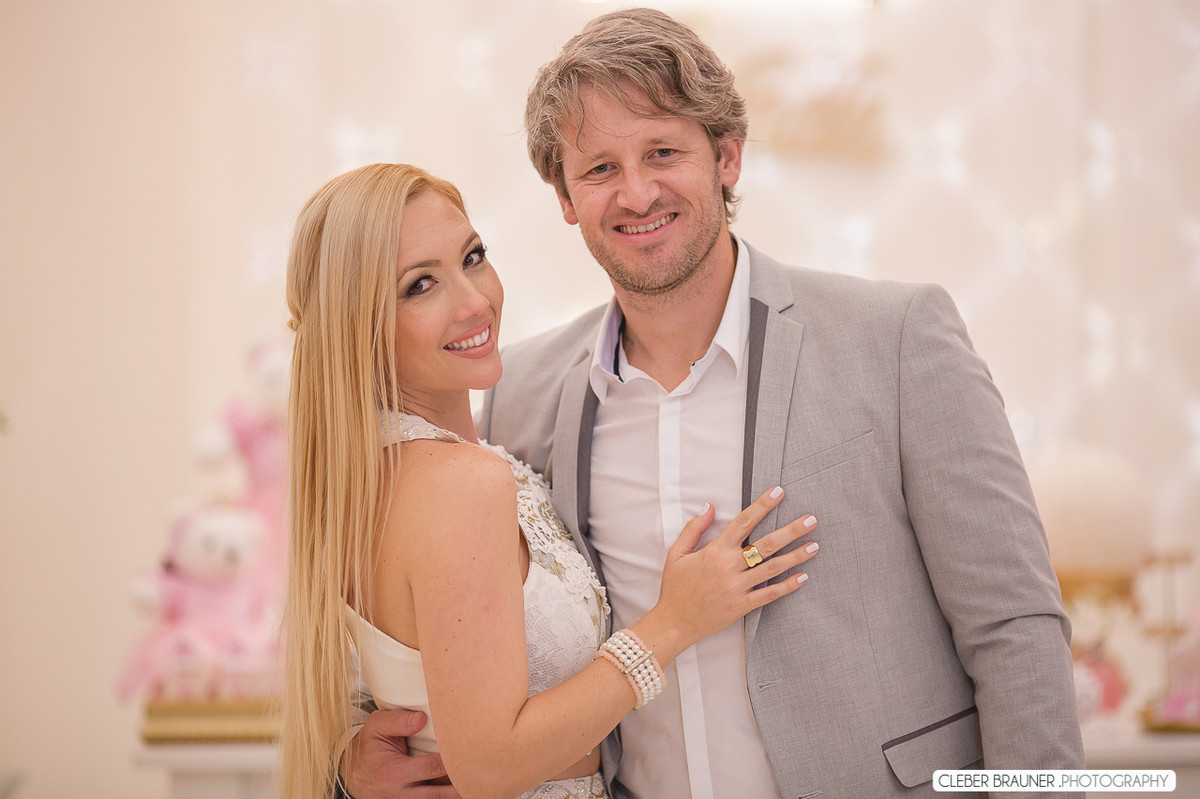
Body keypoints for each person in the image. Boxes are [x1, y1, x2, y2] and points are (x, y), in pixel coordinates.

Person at [342, 8, 1085, 798]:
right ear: (563, 196)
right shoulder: (518, 390)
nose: (636, 192)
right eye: (598, 169)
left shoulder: (896, 338)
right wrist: (354, 757)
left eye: (663, 151)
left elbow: (1014, 628)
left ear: (726, 156)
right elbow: (466, 637)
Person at [278, 162, 821, 799]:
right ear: (359, 328)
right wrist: (674, 623)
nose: (475, 300)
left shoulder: (371, 479)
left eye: (472, 257)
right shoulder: (460, 485)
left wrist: (350, 762)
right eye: (420, 285)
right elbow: (492, 766)